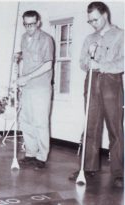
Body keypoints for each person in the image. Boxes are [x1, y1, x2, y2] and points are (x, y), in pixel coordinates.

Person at [68, 2, 124, 188]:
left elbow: (123, 62)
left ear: (105, 14)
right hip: (92, 82)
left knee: (115, 129)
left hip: (111, 84)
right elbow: (82, 63)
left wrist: (101, 65)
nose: (92, 23)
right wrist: (89, 59)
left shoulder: (120, 35)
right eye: (89, 20)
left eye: (95, 19)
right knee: (91, 126)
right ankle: (88, 168)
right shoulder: (89, 38)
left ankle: (118, 172)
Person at [14, 10, 54, 170]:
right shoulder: (24, 38)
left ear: (38, 23)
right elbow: (28, 57)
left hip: (41, 88)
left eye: (31, 24)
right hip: (27, 87)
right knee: (26, 121)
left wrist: (27, 77)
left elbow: (48, 65)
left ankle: (41, 157)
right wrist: (19, 57)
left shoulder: (46, 39)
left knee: (40, 123)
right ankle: (30, 153)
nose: (29, 27)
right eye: (25, 24)